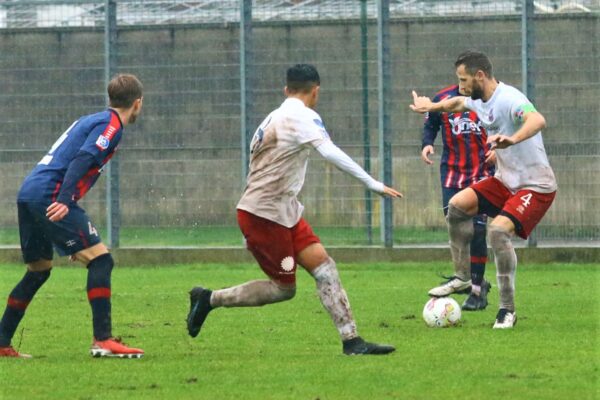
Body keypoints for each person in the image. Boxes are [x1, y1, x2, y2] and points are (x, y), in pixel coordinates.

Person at [187, 64, 402, 355]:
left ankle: (353, 342)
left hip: (282, 212)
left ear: (286, 89)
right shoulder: (303, 116)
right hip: (264, 217)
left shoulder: (274, 117)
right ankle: (209, 299)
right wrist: (372, 183)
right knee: (283, 288)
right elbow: (329, 151)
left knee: (325, 268)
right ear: (316, 91)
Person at [0, 74, 145, 358]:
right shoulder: (111, 126)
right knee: (102, 260)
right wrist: (65, 201)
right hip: (50, 195)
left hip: (30, 192)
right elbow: (83, 158)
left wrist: (66, 235)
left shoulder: (91, 119)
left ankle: (1, 340)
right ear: (137, 104)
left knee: (39, 270)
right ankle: (103, 339)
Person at [410, 50, 557, 329]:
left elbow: (537, 120)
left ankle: (507, 310)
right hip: (505, 181)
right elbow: (456, 103)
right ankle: (463, 276)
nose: (461, 85)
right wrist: (431, 106)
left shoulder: (510, 99)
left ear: (480, 76)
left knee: (498, 231)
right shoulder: (479, 100)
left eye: (463, 79)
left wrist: (511, 140)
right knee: (456, 206)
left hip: (535, 186)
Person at [421, 83, 495, 311]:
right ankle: (472, 280)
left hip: (482, 173)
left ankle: (475, 292)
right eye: (460, 79)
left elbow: (505, 128)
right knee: (458, 230)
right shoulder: (442, 98)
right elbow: (430, 124)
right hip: (452, 175)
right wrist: (427, 145)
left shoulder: (489, 100)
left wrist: (499, 150)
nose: (464, 84)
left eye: (467, 78)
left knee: (478, 230)